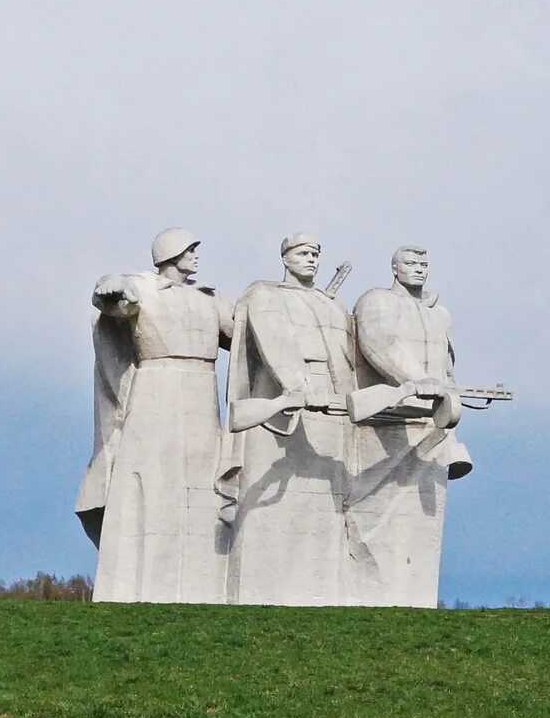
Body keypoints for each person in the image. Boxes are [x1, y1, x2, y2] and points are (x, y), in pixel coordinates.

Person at [83, 229, 232, 602]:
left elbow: (244, 332)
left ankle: (203, 582)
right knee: (151, 473)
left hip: (202, 387)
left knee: (201, 477)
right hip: (156, 384)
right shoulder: (143, 287)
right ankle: (137, 580)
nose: (196, 255)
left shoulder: (209, 297)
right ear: (171, 254)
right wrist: (114, 286)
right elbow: (110, 298)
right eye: (189, 249)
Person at [222, 234, 361, 605]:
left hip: (330, 405)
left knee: (324, 505)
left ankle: (321, 592)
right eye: (303, 253)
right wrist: (298, 385)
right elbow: (275, 342)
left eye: (316, 254)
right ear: (285, 258)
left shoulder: (332, 304)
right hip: (283, 401)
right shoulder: (266, 294)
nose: (311, 259)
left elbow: (346, 359)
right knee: (272, 501)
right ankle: (261, 593)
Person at [346, 246, 471, 606]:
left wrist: (447, 399)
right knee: (378, 516)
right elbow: (380, 342)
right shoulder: (377, 302)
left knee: (424, 521)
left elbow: (447, 365)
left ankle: (415, 600)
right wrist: (415, 378)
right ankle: (373, 596)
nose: (419, 270)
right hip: (390, 423)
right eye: (411, 264)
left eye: (424, 264)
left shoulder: (438, 315)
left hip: (434, 422)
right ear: (394, 268)